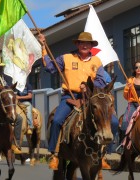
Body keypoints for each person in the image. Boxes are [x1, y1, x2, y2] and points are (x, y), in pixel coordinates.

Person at [38, 32, 107, 170]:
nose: (84, 45)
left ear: (91, 46)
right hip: (70, 97)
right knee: (57, 120)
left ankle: (103, 155)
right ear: (77, 44)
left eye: (87, 43)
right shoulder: (66, 58)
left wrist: (88, 86)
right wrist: (43, 46)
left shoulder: (97, 61)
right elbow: (50, 68)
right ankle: (55, 154)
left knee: (110, 121)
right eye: (82, 43)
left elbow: (101, 81)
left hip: (89, 98)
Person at [121, 61, 140, 134]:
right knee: (125, 122)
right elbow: (125, 96)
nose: (138, 69)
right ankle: (123, 142)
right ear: (134, 69)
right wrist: (128, 87)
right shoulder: (130, 80)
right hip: (133, 105)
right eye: (136, 67)